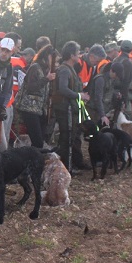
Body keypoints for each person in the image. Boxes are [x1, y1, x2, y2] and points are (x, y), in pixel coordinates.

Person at [54, 41, 90, 172]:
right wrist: (79, 95)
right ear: (71, 55)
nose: (80, 55)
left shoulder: (70, 69)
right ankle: (64, 167)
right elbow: (63, 89)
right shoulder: (64, 70)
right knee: (66, 138)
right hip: (65, 109)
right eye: (77, 53)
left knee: (71, 137)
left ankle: (71, 164)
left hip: (71, 109)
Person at [16, 44, 56, 148]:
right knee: (37, 141)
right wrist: (46, 79)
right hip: (29, 108)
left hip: (40, 109)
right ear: (47, 56)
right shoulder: (35, 67)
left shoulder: (46, 70)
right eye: (53, 58)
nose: (54, 61)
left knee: (40, 140)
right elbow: (31, 87)